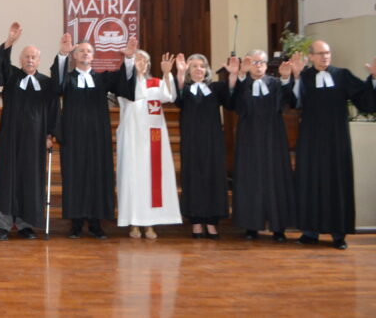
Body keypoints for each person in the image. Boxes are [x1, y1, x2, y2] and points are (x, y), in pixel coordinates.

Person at [286, 42, 376, 249]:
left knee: (337, 183)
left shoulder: (342, 75)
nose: (325, 57)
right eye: (320, 53)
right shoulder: (305, 77)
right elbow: (295, 102)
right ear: (311, 56)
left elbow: (366, 102)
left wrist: (373, 78)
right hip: (311, 140)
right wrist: (297, 77)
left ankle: (338, 234)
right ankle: (309, 232)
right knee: (310, 181)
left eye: (327, 53)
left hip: (336, 140)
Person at [52, 32, 137, 240]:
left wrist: (128, 58)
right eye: (81, 50)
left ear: (93, 56)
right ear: (74, 55)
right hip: (73, 136)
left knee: (98, 176)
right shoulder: (68, 78)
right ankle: (75, 223)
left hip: (98, 137)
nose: (85, 53)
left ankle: (96, 223)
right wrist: (61, 54)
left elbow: (125, 85)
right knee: (74, 176)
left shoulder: (102, 78)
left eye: (89, 51)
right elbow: (56, 85)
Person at [0, 22, 58, 241]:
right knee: (6, 179)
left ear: (38, 61)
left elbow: (54, 109)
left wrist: (49, 135)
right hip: (10, 138)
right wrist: (9, 42)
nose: (30, 60)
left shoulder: (46, 84)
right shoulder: (12, 77)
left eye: (33, 57)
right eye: (26, 56)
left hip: (35, 141)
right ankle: (3, 225)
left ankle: (25, 224)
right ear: (20, 60)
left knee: (30, 180)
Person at [226, 50, 296, 242]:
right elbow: (234, 104)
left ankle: (279, 228)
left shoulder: (275, 83)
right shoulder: (243, 84)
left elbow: (289, 102)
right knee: (250, 179)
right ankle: (251, 226)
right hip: (249, 138)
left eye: (261, 62)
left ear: (267, 65)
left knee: (276, 179)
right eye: (254, 62)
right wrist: (241, 76)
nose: (258, 66)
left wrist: (285, 78)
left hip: (274, 138)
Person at [116, 50, 182, 238]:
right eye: (137, 60)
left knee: (151, 180)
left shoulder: (155, 83)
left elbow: (169, 96)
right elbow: (132, 95)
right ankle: (134, 223)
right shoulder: (124, 84)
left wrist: (167, 74)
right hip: (131, 137)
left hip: (153, 138)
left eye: (145, 60)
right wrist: (134, 73)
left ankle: (150, 224)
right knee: (132, 179)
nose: (141, 63)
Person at [172, 53, 228, 239]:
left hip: (213, 141)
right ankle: (196, 222)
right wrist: (180, 73)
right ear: (188, 70)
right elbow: (178, 99)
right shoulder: (185, 88)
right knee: (193, 178)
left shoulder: (216, 88)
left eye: (202, 66)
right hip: (192, 141)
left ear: (207, 69)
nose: (198, 69)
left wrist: (235, 75)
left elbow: (231, 100)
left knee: (213, 178)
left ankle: (212, 222)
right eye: (194, 66)